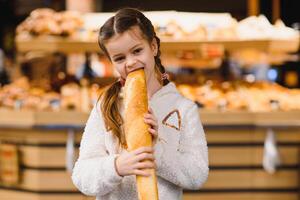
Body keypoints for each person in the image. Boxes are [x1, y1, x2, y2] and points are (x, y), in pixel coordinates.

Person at [71, 8, 209, 200]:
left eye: (137, 50)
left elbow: (197, 175)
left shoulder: (184, 108)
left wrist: (156, 153)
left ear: (153, 47)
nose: (130, 62)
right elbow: (81, 176)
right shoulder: (105, 105)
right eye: (119, 58)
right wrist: (117, 166)